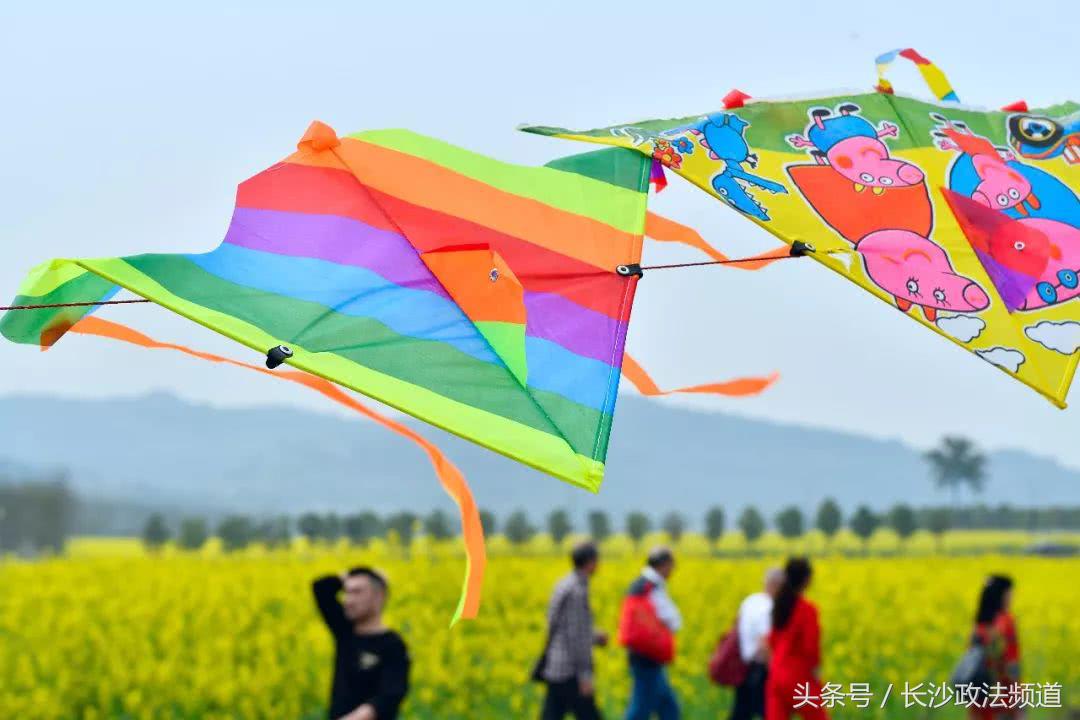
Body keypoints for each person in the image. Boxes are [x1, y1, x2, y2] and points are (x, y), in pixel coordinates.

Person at [312, 567, 410, 720]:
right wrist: (344, 577)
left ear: (379, 597)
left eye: (357, 592)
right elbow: (320, 588)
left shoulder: (393, 645)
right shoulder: (345, 633)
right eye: (346, 592)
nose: (348, 600)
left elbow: (390, 696)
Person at [538, 541, 608, 720]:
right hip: (570, 672)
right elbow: (576, 637)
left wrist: (593, 636)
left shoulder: (564, 583)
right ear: (590, 562)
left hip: (556, 665)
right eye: (597, 560)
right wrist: (585, 676)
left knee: (551, 715)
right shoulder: (577, 590)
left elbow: (559, 625)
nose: (598, 565)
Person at [765, 558, 828, 720]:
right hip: (799, 676)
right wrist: (815, 670)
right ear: (807, 579)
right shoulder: (807, 610)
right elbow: (810, 647)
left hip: (776, 677)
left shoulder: (779, 606)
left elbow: (771, 641)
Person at [625, 546, 682, 720]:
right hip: (648, 655)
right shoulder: (650, 587)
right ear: (663, 565)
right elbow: (666, 618)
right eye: (671, 565)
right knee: (640, 710)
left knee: (669, 708)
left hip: (647, 655)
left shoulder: (642, 584)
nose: (672, 570)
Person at [730, 567, 784, 720]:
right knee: (770, 713)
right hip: (761, 669)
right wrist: (775, 670)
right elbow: (764, 642)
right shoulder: (769, 607)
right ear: (776, 585)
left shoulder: (751, 600)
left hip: (744, 664)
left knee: (741, 712)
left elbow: (737, 624)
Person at [969, 575, 1020, 720]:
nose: (1011, 598)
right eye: (1010, 593)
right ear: (1002, 596)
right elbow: (1012, 664)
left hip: (979, 698)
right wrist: (1019, 700)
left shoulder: (978, 627)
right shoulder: (1006, 622)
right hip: (1002, 699)